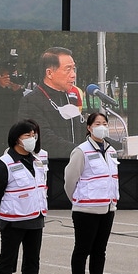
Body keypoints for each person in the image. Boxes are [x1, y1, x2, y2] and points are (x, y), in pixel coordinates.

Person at [0, 119, 48, 274]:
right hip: (13, 219)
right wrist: (2, 208)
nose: (32, 139)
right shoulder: (4, 163)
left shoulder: (37, 161)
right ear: (16, 139)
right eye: (27, 136)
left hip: (35, 217)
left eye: (33, 135)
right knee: (7, 259)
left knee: (32, 259)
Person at [16, 47, 84, 210]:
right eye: (68, 69)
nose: (73, 74)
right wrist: (82, 152)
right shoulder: (31, 101)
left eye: (74, 68)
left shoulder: (70, 97)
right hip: (50, 183)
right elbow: (45, 139)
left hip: (75, 179)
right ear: (50, 73)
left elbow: (83, 130)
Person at [64, 112, 119, 274]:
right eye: (97, 123)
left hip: (107, 208)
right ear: (89, 127)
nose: (102, 126)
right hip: (86, 210)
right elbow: (70, 180)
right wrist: (78, 199)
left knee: (100, 250)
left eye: (105, 123)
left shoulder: (111, 150)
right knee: (82, 249)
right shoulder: (81, 151)